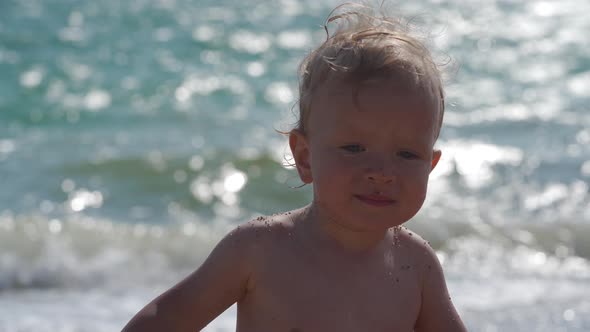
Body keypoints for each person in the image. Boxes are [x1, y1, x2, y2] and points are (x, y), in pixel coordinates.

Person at [123, 3, 467, 331]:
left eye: (406, 155)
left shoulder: (416, 265)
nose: (381, 171)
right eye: (353, 148)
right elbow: (166, 319)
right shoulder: (259, 249)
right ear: (304, 157)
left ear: (431, 165)